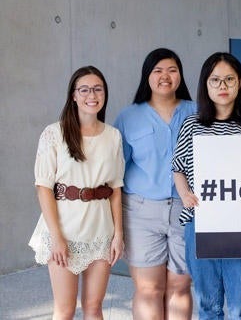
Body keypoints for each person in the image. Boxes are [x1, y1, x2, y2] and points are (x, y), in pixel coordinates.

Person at [172, 52, 241, 320]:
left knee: (240, 307)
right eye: (215, 80)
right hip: (201, 222)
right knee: (208, 306)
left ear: (239, 83)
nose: (222, 87)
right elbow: (178, 168)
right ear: (205, 84)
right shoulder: (192, 124)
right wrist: (185, 194)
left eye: (229, 80)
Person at [28, 65, 125, 319]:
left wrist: (118, 235)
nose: (91, 95)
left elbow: (116, 188)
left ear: (104, 94)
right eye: (84, 89)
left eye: (97, 89)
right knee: (65, 308)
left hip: (101, 231)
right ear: (73, 95)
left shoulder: (113, 136)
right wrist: (57, 237)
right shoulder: (54, 133)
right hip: (64, 231)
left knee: (94, 306)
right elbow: (43, 188)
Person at [114, 48, 196, 319]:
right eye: (157, 70)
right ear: (146, 76)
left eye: (172, 70)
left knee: (180, 286)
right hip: (140, 211)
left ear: (180, 75)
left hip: (187, 210)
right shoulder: (128, 117)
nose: (165, 76)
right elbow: (116, 172)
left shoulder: (196, 112)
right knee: (149, 289)